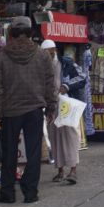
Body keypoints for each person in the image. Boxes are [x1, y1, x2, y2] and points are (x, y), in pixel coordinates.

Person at [0, 17, 58, 204]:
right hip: (34, 109)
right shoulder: (41, 55)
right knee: (34, 153)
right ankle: (30, 192)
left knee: (9, 153)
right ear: (30, 33)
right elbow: (49, 83)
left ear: (11, 34)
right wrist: (51, 106)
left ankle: (8, 193)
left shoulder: (1, 56)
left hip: (10, 112)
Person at [42, 40, 82, 185]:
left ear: (54, 50)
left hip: (67, 104)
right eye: (45, 53)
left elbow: (82, 77)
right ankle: (60, 171)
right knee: (55, 137)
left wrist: (67, 86)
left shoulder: (67, 62)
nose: (48, 55)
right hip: (51, 106)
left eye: (50, 52)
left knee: (70, 136)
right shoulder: (41, 66)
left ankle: (73, 170)